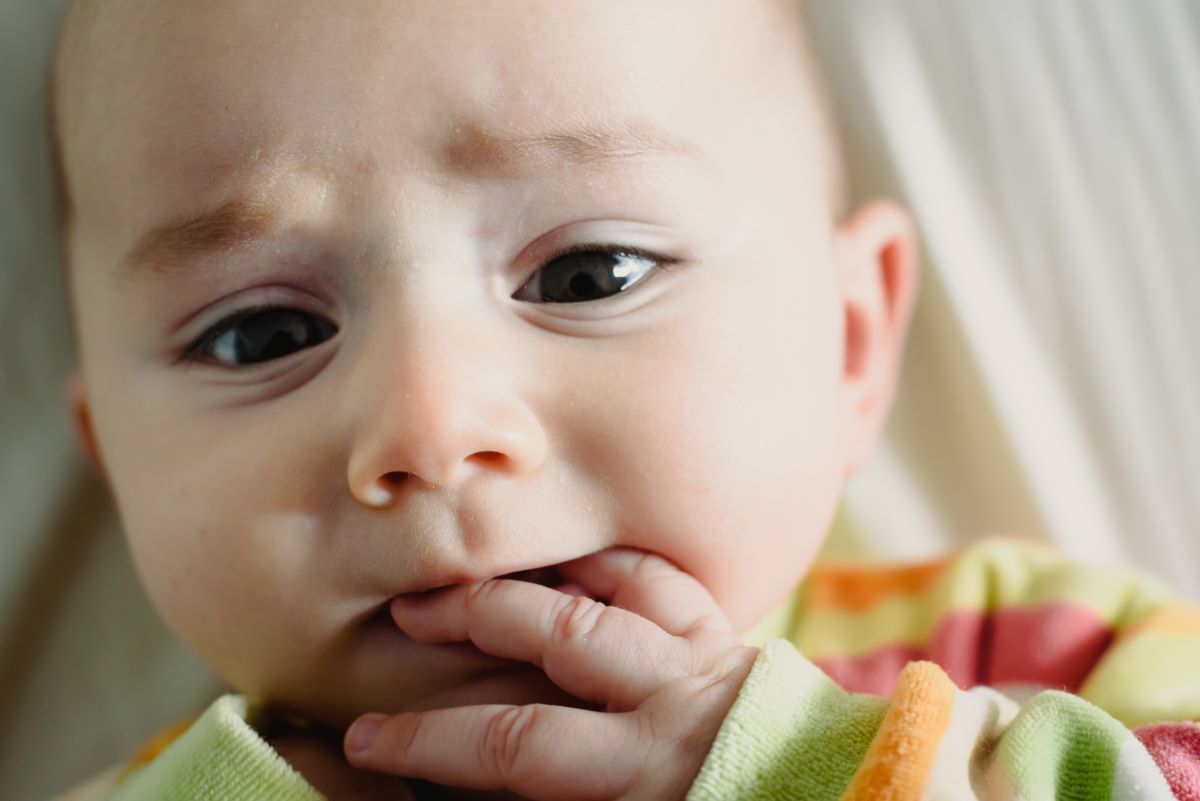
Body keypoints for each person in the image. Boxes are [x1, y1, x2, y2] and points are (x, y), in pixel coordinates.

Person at [45, 0, 1200, 799]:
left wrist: (797, 766)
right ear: (115, 462)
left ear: (848, 343)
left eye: (588, 276)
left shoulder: (1048, 654)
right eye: (264, 336)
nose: (431, 431)